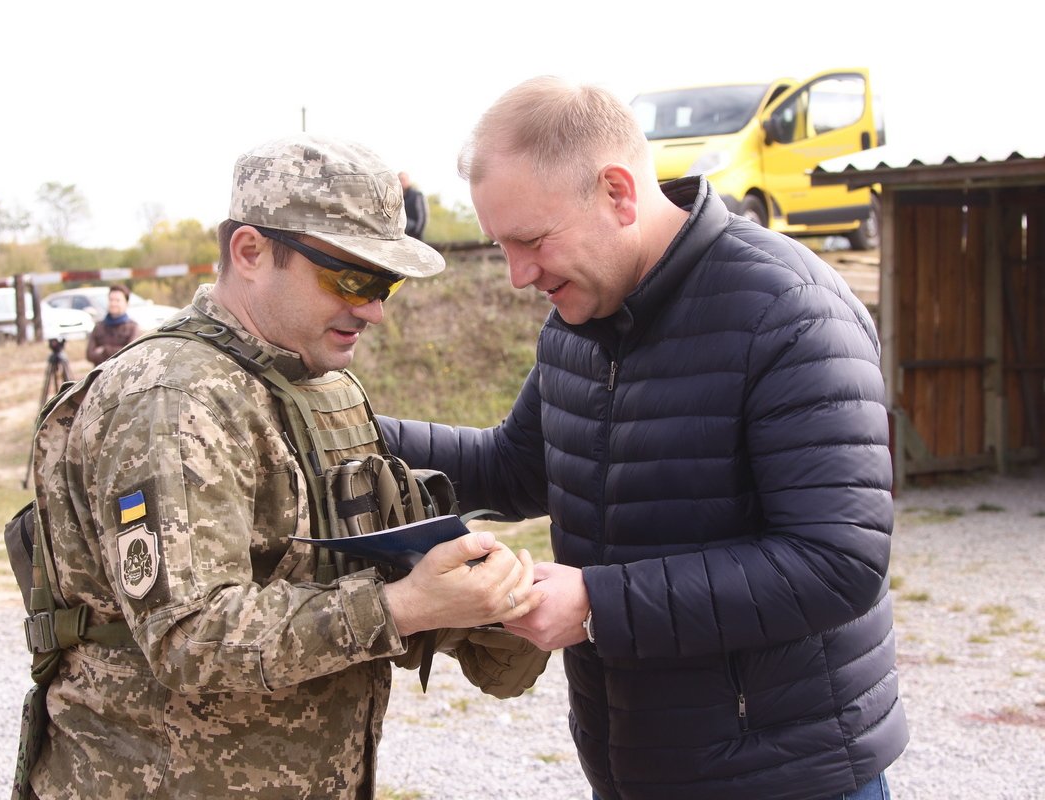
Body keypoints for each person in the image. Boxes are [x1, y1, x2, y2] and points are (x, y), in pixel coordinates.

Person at [379, 77, 908, 800]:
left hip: (784, 776)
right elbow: (515, 468)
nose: (516, 276)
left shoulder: (790, 311)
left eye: (531, 241)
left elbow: (837, 561)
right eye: (503, 245)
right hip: (637, 767)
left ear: (618, 194)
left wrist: (598, 603)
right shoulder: (578, 322)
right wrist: (354, 429)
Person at [27, 134, 546, 799]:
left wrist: (478, 603)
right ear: (249, 252)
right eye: (352, 278)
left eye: (384, 283)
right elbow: (190, 638)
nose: (374, 309)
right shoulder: (173, 398)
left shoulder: (311, 383)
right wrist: (400, 607)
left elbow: (330, 574)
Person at [84, 284, 140, 365]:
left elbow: (130, 354)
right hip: (100, 375)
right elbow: (89, 355)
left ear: (126, 303)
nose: (113, 303)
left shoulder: (133, 328)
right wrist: (119, 351)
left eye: (117, 300)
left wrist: (104, 350)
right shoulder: (99, 326)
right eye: (111, 300)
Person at [398, 171, 427, 240]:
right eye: (400, 180)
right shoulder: (396, 197)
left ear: (408, 180)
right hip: (401, 237)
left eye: (404, 179)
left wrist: (416, 232)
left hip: (415, 236)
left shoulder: (417, 195)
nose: (402, 182)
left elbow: (422, 217)